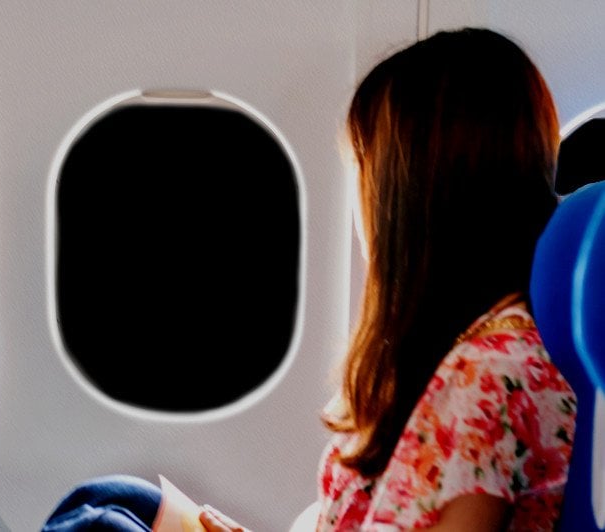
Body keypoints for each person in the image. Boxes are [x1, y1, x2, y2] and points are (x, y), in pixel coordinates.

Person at [42, 27, 576, 532]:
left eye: (365, 176)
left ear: (409, 203)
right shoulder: (499, 346)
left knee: (96, 527)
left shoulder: (486, 374)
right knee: (113, 498)